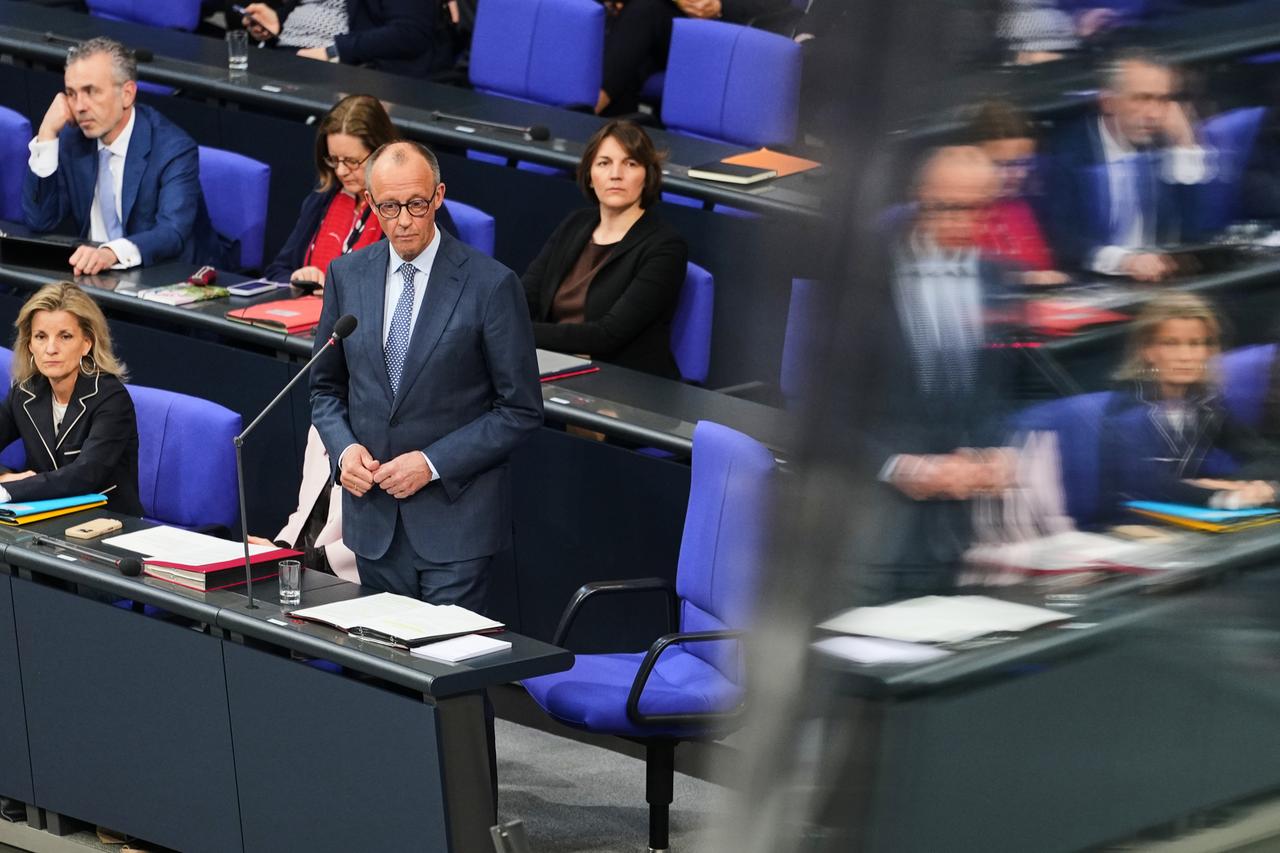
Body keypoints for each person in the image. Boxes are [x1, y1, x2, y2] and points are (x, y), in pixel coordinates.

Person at [310, 140, 542, 611]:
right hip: (373, 522)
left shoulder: (491, 285)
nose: (403, 220)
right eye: (389, 206)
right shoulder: (346, 274)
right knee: (379, 672)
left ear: (438, 196)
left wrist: (431, 464)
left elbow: (519, 409)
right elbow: (325, 388)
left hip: (455, 525)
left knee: (444, 675)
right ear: (372, 204)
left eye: (416, 204)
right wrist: (344, 451)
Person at [852, 146, 1021, 602]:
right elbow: (821, 406)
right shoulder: (862, 280)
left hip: (962, 531)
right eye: (947, 207)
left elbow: (1001, 388)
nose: (962, 222)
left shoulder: (997, 278)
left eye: (977, 209)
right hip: (873, 526)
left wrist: (996, 453)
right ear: (919, 199)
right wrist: (900, 467)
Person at [22, 37, 223, 275]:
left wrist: (110, 253)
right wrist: (47, 134)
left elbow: (172, 232)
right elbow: (40, 221)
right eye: (71, 94)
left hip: (162, 276)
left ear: (127, 94)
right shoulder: (71, 138)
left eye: (91, 91)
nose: (79, 106)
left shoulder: (173, 148)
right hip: (94, 278)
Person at [522, 121, 688, 378]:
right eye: (604, 163)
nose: (616, 174)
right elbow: (524, 297)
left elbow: (607, 335)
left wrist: (521, 332)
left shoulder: (665, 246)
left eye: (630, 164)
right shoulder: (575, 224)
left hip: (624, 381)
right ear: (589, 176)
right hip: (557, 362)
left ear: (647, 176)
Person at [1100, 292, 1280, 515]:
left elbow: (1268, 456)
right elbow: (1146, 482)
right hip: (1127, 521)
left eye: (1195, 344)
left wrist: (1241, 488)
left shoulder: (1206, 405)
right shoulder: (1126, 407)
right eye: (1171, 344)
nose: (1185, 356)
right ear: (1148, 350)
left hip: (1186, 514)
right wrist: (1222, 495)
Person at [1042, 48, 1211, 281]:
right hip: (1098, 283)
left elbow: (1198, 228)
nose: (1153, 113)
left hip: (1164, 282)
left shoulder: (1165, 145)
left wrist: (1185, 144)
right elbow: (1062, 238)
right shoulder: (1068, 151)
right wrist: (1125, 262)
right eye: (1142, 99)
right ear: (1108, 102)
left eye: (1162, 100)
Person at [263, 94, 458, 287]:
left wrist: (340, 296)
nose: (340, 171)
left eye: (351, 161)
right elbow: (278, 269)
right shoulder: (324, 194)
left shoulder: (418, 206)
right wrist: (298, 279)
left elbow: (430, 283)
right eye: (334, 159)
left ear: (379, 153)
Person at [0, 282, 141, 515]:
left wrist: (8, 489)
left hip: (106, 521)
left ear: (87, 343)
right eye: (41, 336)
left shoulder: (112, 398)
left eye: (65, 336)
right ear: (30, 345)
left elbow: (84, 475)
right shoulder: (25, 392)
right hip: (40, 517)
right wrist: (6, 476)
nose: (51, 348)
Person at [597, 0, 796, 115]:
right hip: (669, 20)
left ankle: (586, 115)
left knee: (640, 16)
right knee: (628, 22)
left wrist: (721, 6)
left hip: (729, 33)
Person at [969, 101, 1068, 284]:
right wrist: (1021, 278)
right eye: (1001, 164)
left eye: (1023, 163)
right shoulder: (960, 216)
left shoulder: (1021, 207)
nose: (1017, 174)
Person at [238, 0, 453, 78]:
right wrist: (278, 22)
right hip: (285, 53)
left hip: (340, 67)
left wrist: (335, 51)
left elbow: (409, 33)